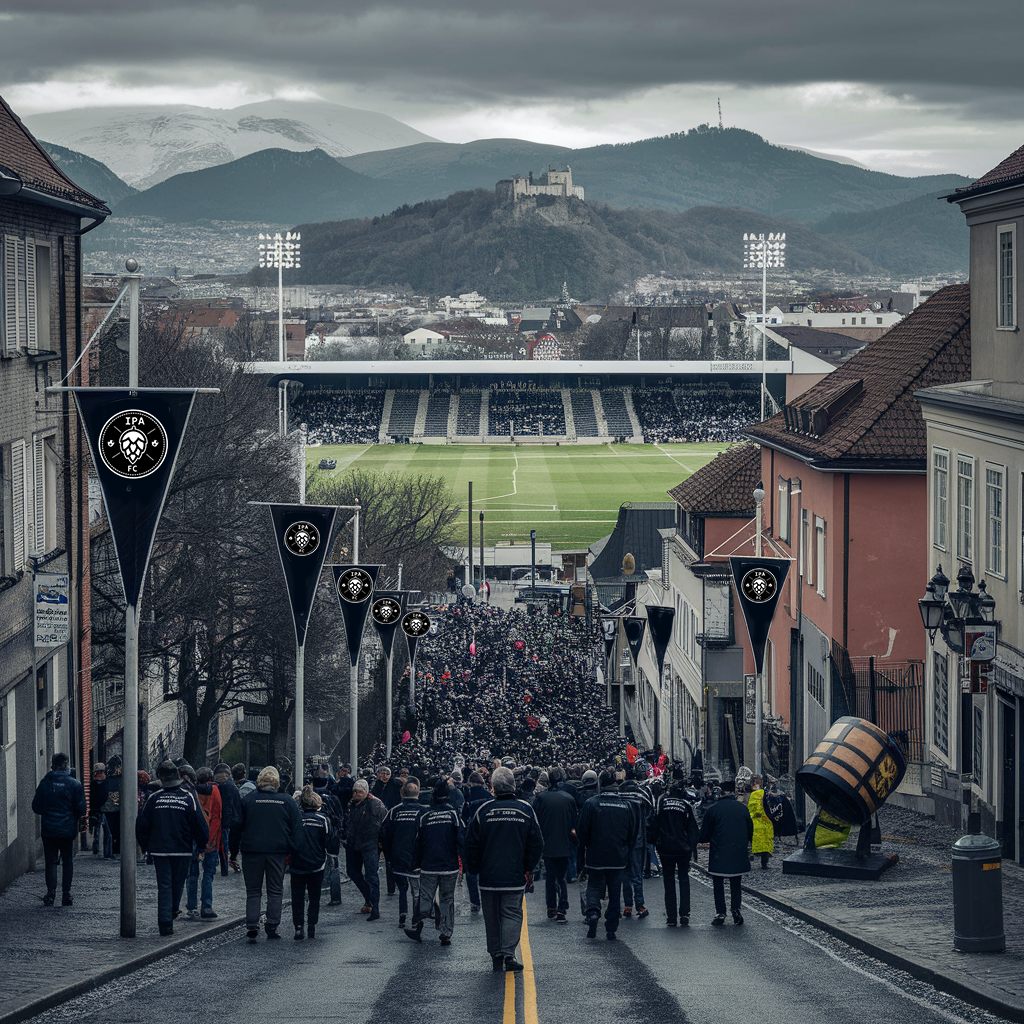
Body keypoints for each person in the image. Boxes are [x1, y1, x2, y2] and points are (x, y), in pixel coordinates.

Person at [464, 765, 544, 972]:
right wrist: (528, 866)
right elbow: (537, 842)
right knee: (512, 913)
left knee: (491, 916)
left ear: (493, 787)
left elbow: (471, 843)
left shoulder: (483, 811)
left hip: (488, 874)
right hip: (514, 873)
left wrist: (474, 868)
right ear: (513, 785)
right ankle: (509, 952)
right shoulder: (526, 809)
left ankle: (495, 954)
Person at [136, 761, 209, 935]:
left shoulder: (155, 798)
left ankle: (165, 921)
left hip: (160, 849)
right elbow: (200, 824)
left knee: (164, 885)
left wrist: (146, 847)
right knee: (177, 883)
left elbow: (142, 825)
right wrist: (201, 845)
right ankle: (171, 912)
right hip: (182, 849)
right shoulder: (188, 797)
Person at [239, 765, 304, 941]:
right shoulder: (287, 801)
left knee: (253, 890)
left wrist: (234, 850)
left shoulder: (249, 800)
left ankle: (252, 923)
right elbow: (297, 829)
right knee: (275, 889)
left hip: (252, 850)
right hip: (277, 851)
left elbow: (238, 825)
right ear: (277, 783)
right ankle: (272, 925)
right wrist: (294, 849)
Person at [576, 768, 637, 940]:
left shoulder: (591, 804)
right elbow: (632, 833)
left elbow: (582, 831)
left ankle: (593, 912)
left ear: (600, 785)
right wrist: (625, 849)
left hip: (596, 855)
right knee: (615, 892)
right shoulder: (626, 805)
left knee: (594, 886)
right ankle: (611, 928)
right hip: (617, 856)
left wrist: (587, 846)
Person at [414, 778, 466, 945]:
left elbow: (417, 841)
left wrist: (416, 863)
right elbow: (462, 839)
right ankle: (446, 932)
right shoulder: (453, 815)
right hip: (449, 865)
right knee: (447, 898)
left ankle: (418, 923)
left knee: (425, 896)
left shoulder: (424, 815)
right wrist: (465, 862)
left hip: (428, 865)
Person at [32, 753, 87, 907]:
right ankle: (66, 895)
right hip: (67, 829)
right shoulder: (75, 784)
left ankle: (51, 894)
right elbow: (82, 809)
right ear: (64, 764)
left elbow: (36, 807)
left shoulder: (45, 783)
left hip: (49, 829)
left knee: (50, 862)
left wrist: (48, 812)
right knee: (67, 861)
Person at [697, 777, 753, 925]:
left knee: (718, 883)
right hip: (738, 851)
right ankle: (736, 910)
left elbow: (704, 835)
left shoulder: (713, 810)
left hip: (719, 851)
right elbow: (750, 831)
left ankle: (721, 913)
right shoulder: (743, 809)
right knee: (736, 882)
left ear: (721, 793)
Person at [649, 768, 699, 926]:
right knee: (684, 880)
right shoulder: (685, 806)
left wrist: (655, 842)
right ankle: (684, 914)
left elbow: (655, 824)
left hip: (666, 848)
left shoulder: (662, 804)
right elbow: (692, 829)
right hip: (682, 848)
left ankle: (671, 916)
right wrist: (692, 849)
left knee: (669, 882)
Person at [380, 778, 427, 932]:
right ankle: (415, 918)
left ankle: (402, 915)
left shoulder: (394, 812)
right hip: (417, 859)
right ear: (418, 793)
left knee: (402, 888)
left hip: (398, 857)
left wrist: (389, 856)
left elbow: (384, 834)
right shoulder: (424, 812)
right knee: (416, 890)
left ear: (402, 793)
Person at [532, 768, 577, 923]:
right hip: (564, 843)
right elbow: (574, 822)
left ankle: (551, 906)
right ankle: (562, 907)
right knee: (561, 877)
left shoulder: (541, 798)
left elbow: (535, 822)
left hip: (548, 844)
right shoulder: (569, 798)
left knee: (550, 876)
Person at [289, 785, 331, 939]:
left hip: (297, 863)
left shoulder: (295, 820)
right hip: (316, 864)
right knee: (314, 897)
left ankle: (298, 927)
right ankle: (312, 925)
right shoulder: (323, 820)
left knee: (297, 897)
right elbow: (330, 841)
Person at [345, 779, 387, 921]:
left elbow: (384, 822)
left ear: (366, 792)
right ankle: (369, 898)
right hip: (353, 843)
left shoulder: (375, 804)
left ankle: (374, 907)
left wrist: (381, 841)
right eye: (355, 791)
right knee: (352, 872)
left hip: (370, 843)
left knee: (371, 875)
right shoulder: (351, 804)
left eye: (360, 792)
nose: (356, 794)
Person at [185, 766, 222, 919]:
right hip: (211, 838)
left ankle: (192, 906)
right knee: (208, 873)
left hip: (193, 838)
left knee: (192, 874)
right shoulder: (215, 791)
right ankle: (206, 906)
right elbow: (217, 816)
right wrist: (211, 839)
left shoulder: (191, 791)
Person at [618, 762, 654, 919]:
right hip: (638, 839)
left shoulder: (620, 797)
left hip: (623, 841)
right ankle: (640, 904)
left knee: (625, 875)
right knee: (637, 874)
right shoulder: (642, 797)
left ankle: (628, 905)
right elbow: (649, 817)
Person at [214, 763, 243, 875]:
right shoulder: (231, 786)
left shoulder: (223, 787)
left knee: (224, 844)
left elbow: (227, 806)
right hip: (233, 820)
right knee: (228, 844)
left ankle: (224, 867)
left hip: (226, 820)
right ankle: (228, 863)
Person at [747, 774, 774, 869]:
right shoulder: (767, 794)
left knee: (751, 843)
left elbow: (751, 810)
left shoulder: (752, 795)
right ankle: (764, 863)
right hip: (766, 823)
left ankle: (749, 860)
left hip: (754, 823)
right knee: (765, 844)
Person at [90, 762, 111, 858]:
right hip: (103, 809)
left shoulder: (93, 784)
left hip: (97, 809)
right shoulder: (106, 783)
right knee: (105, 831)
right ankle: (105, 851)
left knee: (98, 829)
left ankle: (97, 847)